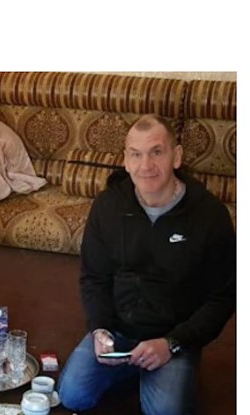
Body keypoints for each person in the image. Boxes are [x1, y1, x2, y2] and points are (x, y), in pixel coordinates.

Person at [57, 114, 236, 415]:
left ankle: (162, 368)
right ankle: (132, 367)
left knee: (165, 411)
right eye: (136, 154)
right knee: (72, 395)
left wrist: (174, 343)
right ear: (125, 161)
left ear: (176, 157)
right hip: (117, 331)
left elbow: (223, 297)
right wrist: (99, 328)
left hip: (173, 337)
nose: (145, 166)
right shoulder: (108, 206)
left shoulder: (210, 216)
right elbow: (94, 278)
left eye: (156, 152)